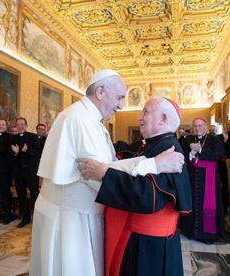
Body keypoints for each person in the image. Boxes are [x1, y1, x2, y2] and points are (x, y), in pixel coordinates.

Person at [30, 70, 184, 276]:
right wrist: (153, 164)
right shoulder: (81, 120)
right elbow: (94, 174)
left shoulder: (88, 119)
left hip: (78, 215)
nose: (121, 105)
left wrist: (148, 164)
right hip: (71, 219)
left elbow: (104, 168)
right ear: (101, 91)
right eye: (120, 97)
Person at [77, 96, 192, 276]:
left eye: (145, 111)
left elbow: (147, 197)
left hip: (150, 245)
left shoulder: (170, 150)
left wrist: (104, 173)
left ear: (163, 119)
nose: (139, 117)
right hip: (136, 238)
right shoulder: (152, 144)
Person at [180, 117, 226, 244]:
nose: (197, 128)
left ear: (205, 126)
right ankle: (189, 230)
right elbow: (182, 155)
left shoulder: (214, 139)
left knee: (207, 204)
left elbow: (218, 156)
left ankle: (207, 234)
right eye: (195, 126)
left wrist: (200, 150)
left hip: (208, 176)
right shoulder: (188, 139)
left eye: (200, 126)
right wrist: (191, 154)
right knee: (192, 202)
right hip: (192, 176)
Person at [11, 117, 40, 227]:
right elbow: (11, 156)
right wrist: (16, 153)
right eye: (18, 125)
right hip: (18, 172)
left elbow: (37, 153)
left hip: (31, 171)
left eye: (22, 124)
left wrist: (26, 151)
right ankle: (25, 218)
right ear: (16, 126)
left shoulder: (33, 137)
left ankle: (37, 217)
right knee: (21, 195)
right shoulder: (13, 139)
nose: (20, 126)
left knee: (34, 194)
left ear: (26, 125)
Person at [217, 119, 230, 214]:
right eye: (229, 124)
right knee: (224, 187)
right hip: (223, 167)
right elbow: (220, 152)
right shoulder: (219, 137)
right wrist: (225, 141)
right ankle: (224, 209)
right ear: (226, 125)